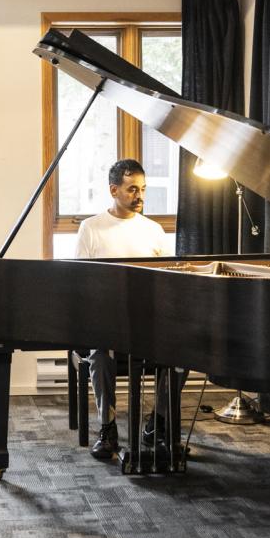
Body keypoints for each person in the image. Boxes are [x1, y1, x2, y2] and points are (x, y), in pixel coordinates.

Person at [77, 158, 184, 460]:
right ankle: (107, 428)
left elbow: (167, 279)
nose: (140, 196)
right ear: (113, 190)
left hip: (148, 323)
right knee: (99, 355)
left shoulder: (154, 230)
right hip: (107, 324)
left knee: (183, 354)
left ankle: (158, 424)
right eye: (132, 189)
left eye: (143, 189)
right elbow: (82, 283)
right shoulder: (91, 228)